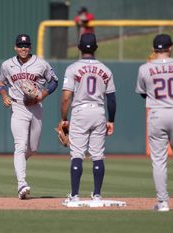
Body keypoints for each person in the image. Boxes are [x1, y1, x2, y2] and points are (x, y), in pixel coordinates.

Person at [135, 34, 173, 211]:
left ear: (154, 49)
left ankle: (162, 203)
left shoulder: (144, 68)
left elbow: (142, 92)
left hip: (156, 113)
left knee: (159, 160)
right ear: (170, 47)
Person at [0, 33, 58, 200]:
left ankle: (19, 164)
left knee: (32, 148)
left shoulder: (41, 64)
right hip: (18, 106)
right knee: (20, 146)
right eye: (20, 45)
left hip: (36, 107)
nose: (23, 48)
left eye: (26, 46)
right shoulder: (7, 65)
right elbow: (1, 83)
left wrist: (43, 94)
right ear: (15, 47)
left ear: (30, 47)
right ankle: (21, 183)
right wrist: (4, 96)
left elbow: (54, 81)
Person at [60, 33, 116, 205]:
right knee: (97, 155)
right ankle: (97, 195)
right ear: (96, 48)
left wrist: (64, 118)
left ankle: (75, 195)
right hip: (99, 111)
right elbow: (112, 98)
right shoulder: (106, 70)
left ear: (79, 47)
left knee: (77, 154)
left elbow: (66, 97)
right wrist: (111, 120)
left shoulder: (72, 68)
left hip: (80, 111)